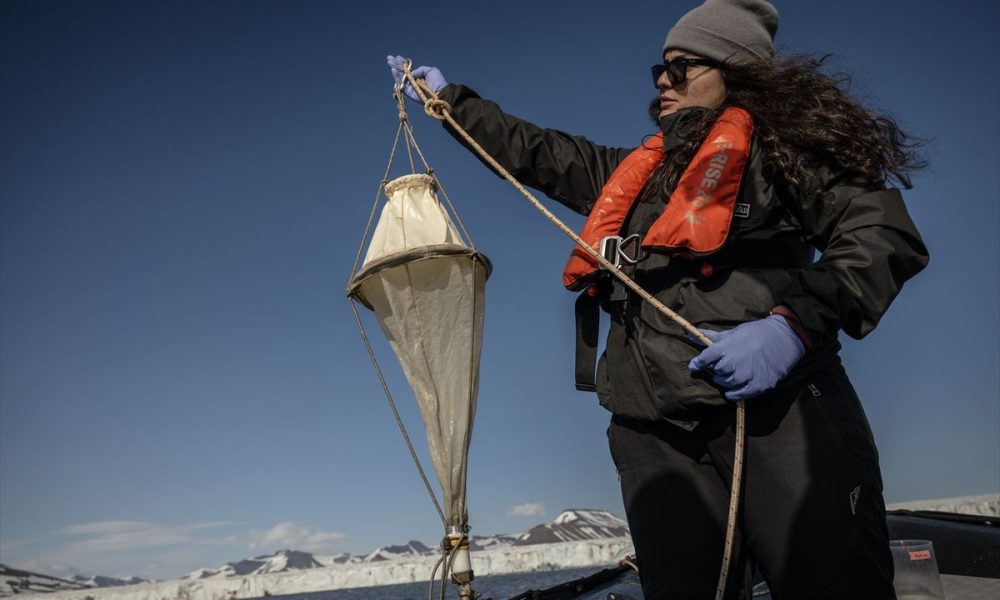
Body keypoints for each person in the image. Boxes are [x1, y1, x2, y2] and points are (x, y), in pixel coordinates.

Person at [388, 0, 928, 597]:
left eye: (683, 67)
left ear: (736, 71)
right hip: (653, 432)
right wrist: (451, 104)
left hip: (779, 414)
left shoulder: (788, 157)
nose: (663, 81)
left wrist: (792, 328)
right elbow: (538, 152)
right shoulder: (637, 173)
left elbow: (881, 236)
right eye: (660, 69)